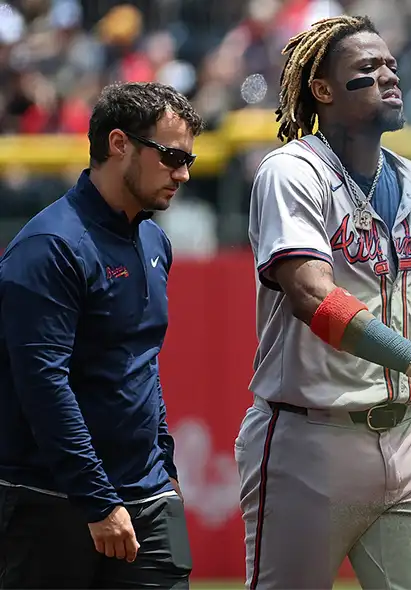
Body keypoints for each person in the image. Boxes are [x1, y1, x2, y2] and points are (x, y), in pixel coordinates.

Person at [235, 15, 411, 590]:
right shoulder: (291, 172)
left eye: (391, 66)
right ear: (323, 90)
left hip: (409, 441)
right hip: (311, 440)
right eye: (367, 69)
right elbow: (313, 296)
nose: (389, 77)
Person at [0, 81, 202, 588]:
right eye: (172, 156)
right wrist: (98, 501)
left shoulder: (155, 240)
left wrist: (165, 465)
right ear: (119, 144)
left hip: (148, 497)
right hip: (49, 501)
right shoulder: (49, 246)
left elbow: (143, 361)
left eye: (189, 160)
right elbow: (44, 386)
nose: (182, 173)